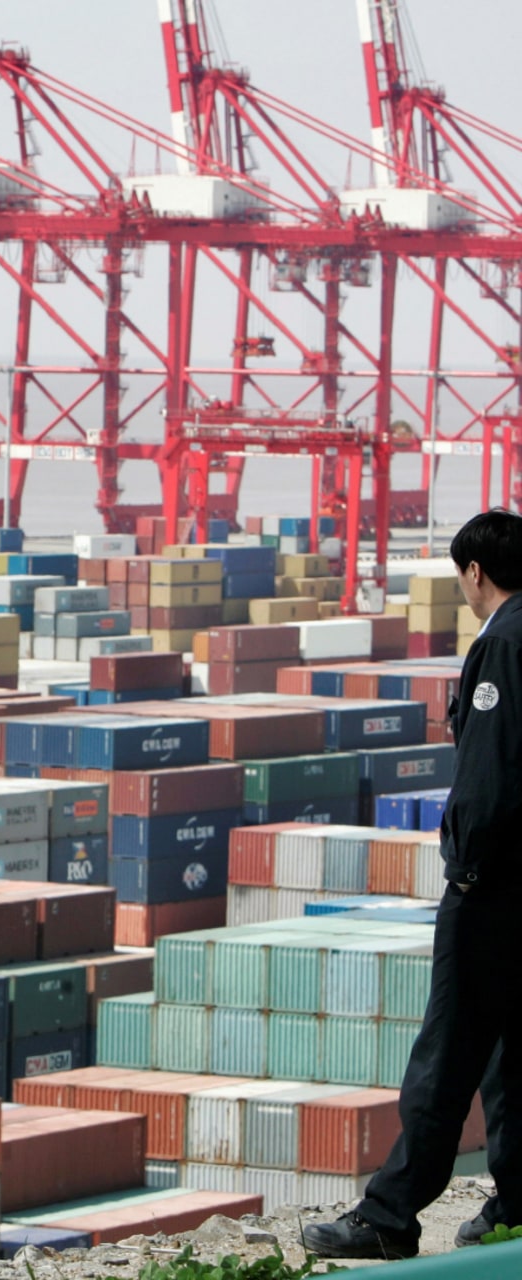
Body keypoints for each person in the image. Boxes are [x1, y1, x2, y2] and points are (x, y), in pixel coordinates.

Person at [304, 509, 522, 1258]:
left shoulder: (502, 643)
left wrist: (466, 871)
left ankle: (388, 1218)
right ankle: (518, 1202)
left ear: (474, 573)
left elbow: (489, 780)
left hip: (495, 888)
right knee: (512, 1051)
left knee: (447, 1052)